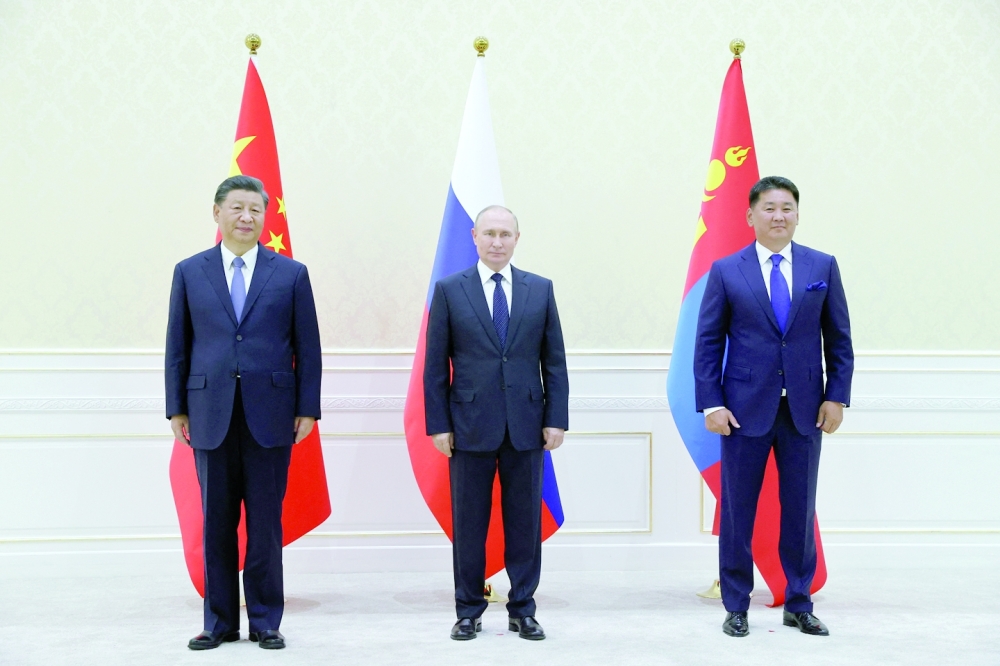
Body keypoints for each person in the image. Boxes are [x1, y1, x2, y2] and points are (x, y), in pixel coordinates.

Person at [165, 175, 322, 650]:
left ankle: (265, 620)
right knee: (215, 522)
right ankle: (218, 622)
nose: (247, 218)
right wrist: (176, 407)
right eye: (237, 208)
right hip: (208, 412)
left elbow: (308, 349)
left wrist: (307, 409)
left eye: (255, 210)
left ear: (264, 217)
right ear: (217, 213)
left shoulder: (291, 273)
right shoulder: (190, 272)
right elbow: (178, 345)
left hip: (271, 415)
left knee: (264, 524)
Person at [694, 176, 853, 638]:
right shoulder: (727, 270)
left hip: (806, 410)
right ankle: (736, 603)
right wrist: (712, 404)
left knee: (799, 510)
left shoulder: (822, 265)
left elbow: (839, 340)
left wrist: (836, 396)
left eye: (787, 208)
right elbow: (707, 343)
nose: (778, 215)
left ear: (797, 215)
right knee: (738, 510)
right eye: (769, 208)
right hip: (742, 411)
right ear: (750, 216)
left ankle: (798, 602)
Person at [423, 205, 569, 641]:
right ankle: (468, 609)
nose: (497, 242)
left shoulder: (539, 290)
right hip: (467, 426)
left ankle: (523, 608)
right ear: (474, 236)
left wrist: (555, 419)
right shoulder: (450, 290)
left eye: (505, 234)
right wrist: (438, 424)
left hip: (527, 425)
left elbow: (554, 362)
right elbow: (435, 367)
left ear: (517, 239)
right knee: (469, 524)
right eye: (489, 233)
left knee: (525, 523)